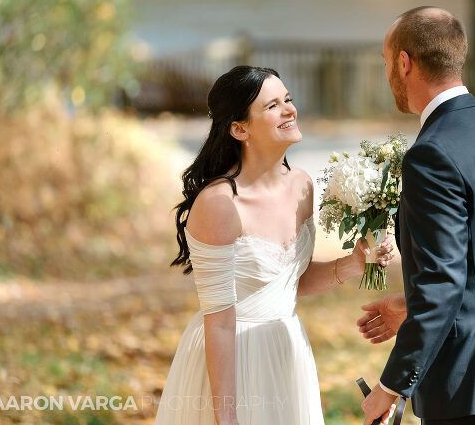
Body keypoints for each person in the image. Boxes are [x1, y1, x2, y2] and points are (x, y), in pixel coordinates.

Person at [154, 66, 397, 425]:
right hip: (232, 363)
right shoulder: (219, 204)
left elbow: (289, 282)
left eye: (288, 99)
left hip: (288, 352)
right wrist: (228, 418)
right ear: (239, 129)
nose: (289, 110)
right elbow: (219, 322)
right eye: (272, 106)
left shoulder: (302, 185)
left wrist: (354, 262)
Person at [357, 7, 475, 425]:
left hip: (466, 386)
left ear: (404, 63)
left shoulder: (430, 155)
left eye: (387, 62)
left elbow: (444, 282)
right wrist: (412, 305)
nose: (388, 72)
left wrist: (390, 388)